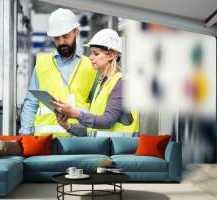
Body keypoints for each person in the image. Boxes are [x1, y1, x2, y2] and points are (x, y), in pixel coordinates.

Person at [19, 8, 98, 137]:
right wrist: (24, 136)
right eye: (57, 38)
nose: (61, 42)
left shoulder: (90, 66)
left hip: (80, 142)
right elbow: (31, 104)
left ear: (76, 32)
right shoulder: (41, 65)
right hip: (45, 142)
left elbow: (97, 106)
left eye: (65, 36)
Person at [52, 29, 139, 137]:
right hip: (105, 150)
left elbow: (107, 121)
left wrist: (77, 114)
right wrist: (67, 126)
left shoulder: (121, 84)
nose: (91, 57)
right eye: (91, 53)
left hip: (119, 151)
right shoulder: (102, 83)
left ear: (111, 55)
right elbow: (93, 130)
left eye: (96, 53)